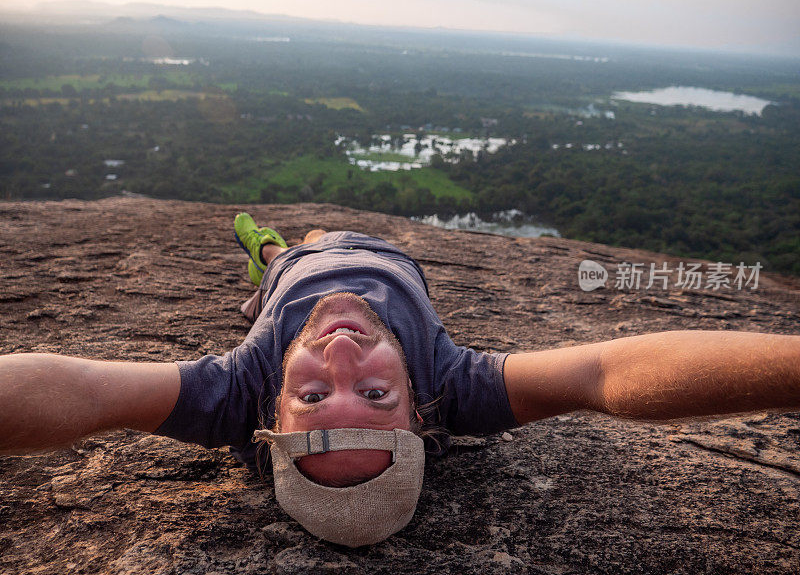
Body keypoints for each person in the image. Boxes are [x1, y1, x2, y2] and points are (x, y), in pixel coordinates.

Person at [1, 213, 799, 546]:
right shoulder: (457, 387)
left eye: (312, 396)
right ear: (420, 411)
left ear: (269, 414)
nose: (343, 356)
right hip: (382, 250)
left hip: (303, 271)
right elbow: (604, 372)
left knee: (287, 252)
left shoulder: (229, 396)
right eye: (376, 396)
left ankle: (270, 257)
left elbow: (81, 393)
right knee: (318, 239)